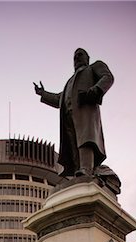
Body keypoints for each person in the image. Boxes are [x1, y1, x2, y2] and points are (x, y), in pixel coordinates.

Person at [34, 48, 114, 177]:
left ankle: (86, 169)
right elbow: (59, 99)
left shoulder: (93, 67)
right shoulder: (70, 82)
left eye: (80, 55)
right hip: (68, 116)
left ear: (87, 59)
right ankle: (78, 170)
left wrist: (95, 90)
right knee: (73, 143)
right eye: (75, 56)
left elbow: (107, 77)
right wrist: (43, 93)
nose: (77, 58)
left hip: (85, 111)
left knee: (86, 138)